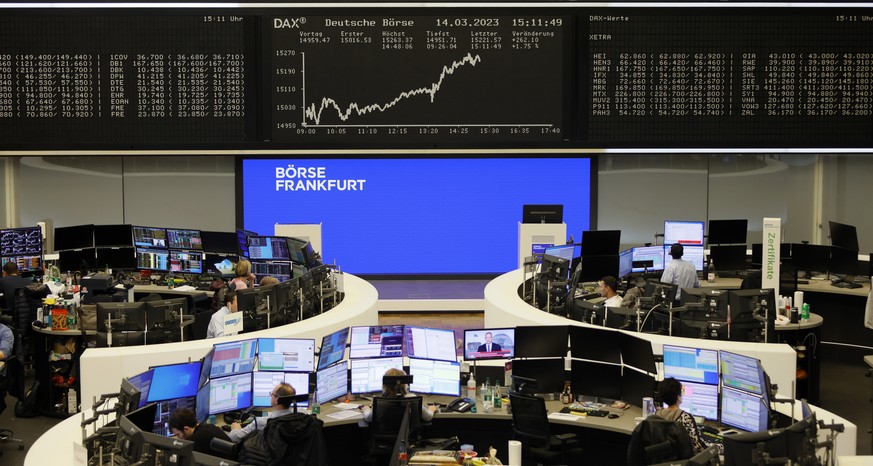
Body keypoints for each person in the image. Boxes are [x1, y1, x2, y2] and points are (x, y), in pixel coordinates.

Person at [654, 378, 722, 454]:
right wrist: (721, 446)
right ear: (678, 397)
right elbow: (700, 448)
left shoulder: (656, 415)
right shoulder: (685, 418)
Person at [362, 368, 437, 424]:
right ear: (405, 384)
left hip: (384, 440)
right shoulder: (413, 399)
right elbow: (427, 417)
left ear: (384, 385)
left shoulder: (379, 401)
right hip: (408, 440)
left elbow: (368, 418)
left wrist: (366, 409)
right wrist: (431, 409)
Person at [227, 382, 296, 442]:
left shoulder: (262, 422)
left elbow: (234, 438)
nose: (271, 396)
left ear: (277, 399)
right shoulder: (299, 416)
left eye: (272, 394)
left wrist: (236, 429)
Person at [168, 407, 233, 457]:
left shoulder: (196, 440)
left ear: (186, 429)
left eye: (178, 434)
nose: (178, 438)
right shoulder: (209, 426)